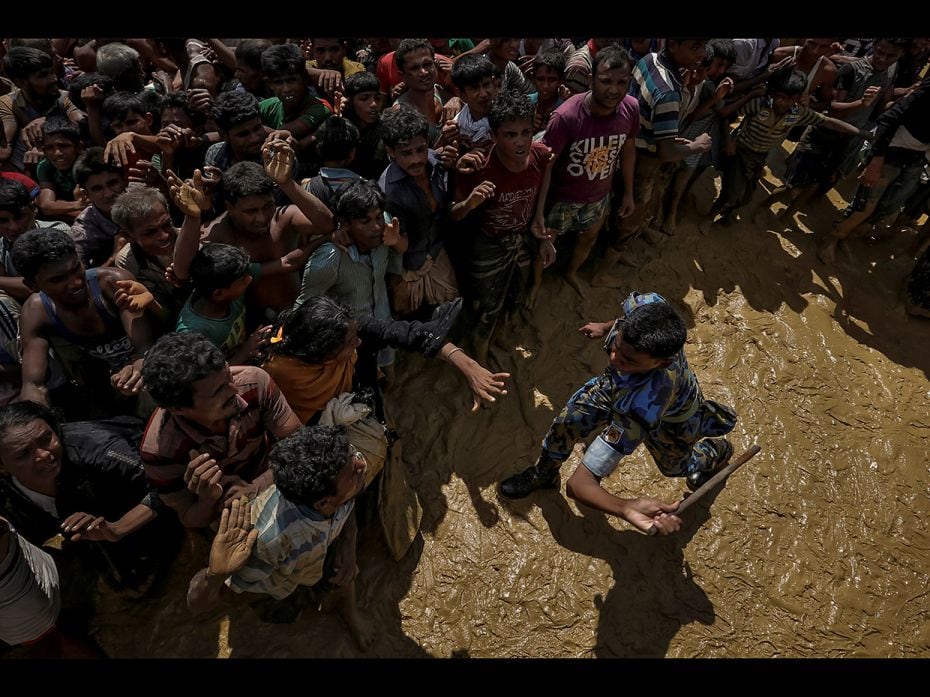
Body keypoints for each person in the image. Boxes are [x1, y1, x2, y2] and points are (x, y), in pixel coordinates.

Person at [499, 291, 737, 536]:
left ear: (661, 363)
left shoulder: (644, 404)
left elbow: (579, 485)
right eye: (617, 346)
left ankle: (716, 451)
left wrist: (625, 507)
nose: (614, 358)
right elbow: (628, 317)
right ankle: (544, 473)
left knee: (676, 467)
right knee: (567, 422)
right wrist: (605, 327)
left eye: (628, 360)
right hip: (616, 387)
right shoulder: (652, 307)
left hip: (673, 418)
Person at [186, 426, 376, 649]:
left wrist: (348, 548)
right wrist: (215, 574)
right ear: (323, 503)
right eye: (353, 470)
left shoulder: (340, 486)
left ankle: (349, 611)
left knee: (343, 572)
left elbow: (347, 505)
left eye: (352, 452)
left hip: (319, 553)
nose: (362, 463)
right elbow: (202, 603)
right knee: (287, 612)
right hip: (281, 583)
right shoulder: (268, 540)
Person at [140, 331, 301, 529]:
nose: (234, 390)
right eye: (219, 391)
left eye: (229, 377)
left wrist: (255, 487)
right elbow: (190, 517)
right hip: (227, 514)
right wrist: (208, 499)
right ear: (178, 409)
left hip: (280, 475)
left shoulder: (254, 382)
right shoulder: (160, 451)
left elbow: (301, 445)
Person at [451, 91, 551, 362]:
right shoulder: (479, 167)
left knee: (514, 295)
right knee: (486, 306)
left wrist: (539, 217)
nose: (520, 142)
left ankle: (498, 336)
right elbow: (455, 214)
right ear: (494, 136)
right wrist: (471, 202)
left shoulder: (540, 154)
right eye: (510, 135)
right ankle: (480, 354)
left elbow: (547, 172)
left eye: (526, 132)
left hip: (520, 238)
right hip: (489, 243)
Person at [13, 228, 153, 417]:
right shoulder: (36, 312)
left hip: (147, 368)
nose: (75, 282)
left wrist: (136, 371)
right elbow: (33, 384)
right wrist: (34, 423)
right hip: (103, 385)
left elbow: (145, 348)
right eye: (58, 279)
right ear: (33, 285)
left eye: (75, 269)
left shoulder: (113, 283)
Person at [534, 46, 639, 298]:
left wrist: (628, 192)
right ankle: (535, 286)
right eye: (605, 81)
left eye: (621, 82)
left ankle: (571, 274)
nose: (614, 89)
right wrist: (539, 211)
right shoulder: (566, 116)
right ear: (592, 80)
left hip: (599, 195)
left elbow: (628, 150)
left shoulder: (631, 108)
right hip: (562, 198)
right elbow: (546, 166)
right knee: (545, 245)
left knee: (589, 239)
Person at [711, 69, 874, 226]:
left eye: (789, 98)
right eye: (779, 97)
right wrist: (728, 141)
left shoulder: (798, 113)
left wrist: (861, 133)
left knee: (746, 196)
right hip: (741, 151)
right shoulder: (759, 104)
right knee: (731, 192)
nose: (782, 102)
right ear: (773, 93)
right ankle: (709, 217)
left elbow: (828, 122)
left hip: (760, 157)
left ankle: (727, 215)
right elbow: (727, 116)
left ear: (797, 98)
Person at [378, 105, 459, 316]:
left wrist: (455, 166)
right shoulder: (390, 191)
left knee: (449, 306)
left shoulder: (436, 162)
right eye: (406, 153)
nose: (416, 159)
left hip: (436, 249)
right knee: (409, 315)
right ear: (390, 152)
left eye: (420, 150)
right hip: (408, 264)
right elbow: (401, 245)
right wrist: (395, 240)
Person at [69, 147, 127, 268]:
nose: (108, 193)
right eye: (97, 188)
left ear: (124, 181)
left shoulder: (144, 202)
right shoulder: (82, 231)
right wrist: (114, 257)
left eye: (112, 183)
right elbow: (81, 279)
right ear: (86, 194)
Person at [35, 116, 85, 222]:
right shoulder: (45, 166)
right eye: (49, 148)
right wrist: (79, 205)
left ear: (79, 147)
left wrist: (59, 207)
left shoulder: (88, 164)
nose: (57, 153)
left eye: (64, 146)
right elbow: (46, 206)